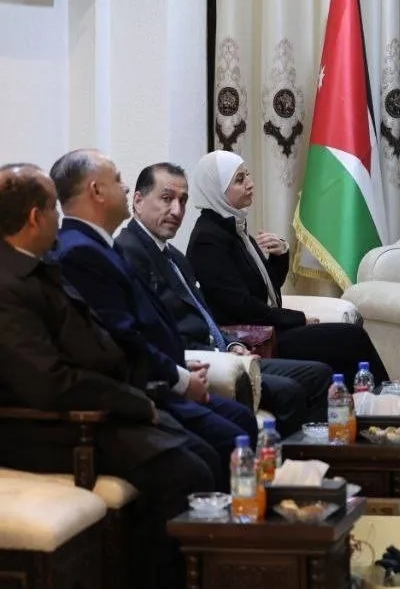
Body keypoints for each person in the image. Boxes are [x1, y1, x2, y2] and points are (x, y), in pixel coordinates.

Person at [0, 163, 214, 589]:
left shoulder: (36, 264)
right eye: (54, 210)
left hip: (94, 405)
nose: (61, 219)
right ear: (34, 218)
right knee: (185, 472)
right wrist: (133, 402)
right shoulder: (8, 285)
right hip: (48, 429)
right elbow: (49, 384)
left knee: (200, 454)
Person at [48, 148, 257, 470]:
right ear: (96, 190)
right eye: (118, 180)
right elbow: (123, 336)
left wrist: (180, 367)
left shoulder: (100, 246)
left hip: (161, 377)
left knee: (240, 419)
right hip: (141, 392)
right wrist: (180, 379)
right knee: (227, 439)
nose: (126, 188)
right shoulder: (80, 252)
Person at [117, 162, 332, 437]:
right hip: (201, 362)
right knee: (290, 390)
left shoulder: (174, 257)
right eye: (167, 198)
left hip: (227, 352)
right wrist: (217, 356)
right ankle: (288, 463)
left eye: (182, 200)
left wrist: (232, 344)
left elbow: (205, 313)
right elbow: (155, 331)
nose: (177, 210)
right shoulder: (130, 253)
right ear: (138, 201)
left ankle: (322, 457)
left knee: (319, 374)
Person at [184, 150, 390, 387]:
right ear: (215, 190)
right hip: (252, 339)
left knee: (346, 340)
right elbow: (241, 307)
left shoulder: (234, 227)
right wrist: (298, 318)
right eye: (239, 180)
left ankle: (365, 402)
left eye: (247, 175)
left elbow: (268, 289)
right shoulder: (208, 240)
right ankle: (384, 398)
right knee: (350, 337)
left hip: (268, 329)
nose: (250, 184)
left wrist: (280, 255)